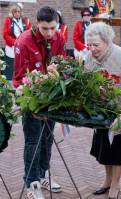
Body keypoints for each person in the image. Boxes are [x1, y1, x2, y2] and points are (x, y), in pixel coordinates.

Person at [12, 6, 66, 199]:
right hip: (30, 96)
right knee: (33, 141)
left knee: (47, 138)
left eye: (53, 28)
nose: (50, 33)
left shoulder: (59, 37)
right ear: (37, 24)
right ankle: (31, 183)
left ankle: (44, 174)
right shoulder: (24, 41)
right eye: (45, 29)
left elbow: (62, 65)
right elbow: (20, 78)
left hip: (51, 96)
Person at [84, 22, 121, 199]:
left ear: (106, 41)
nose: (92, 49)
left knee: (118, 153)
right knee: (105, 150)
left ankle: (115, 185)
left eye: (96, 45)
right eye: (90, 45)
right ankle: (107, 181)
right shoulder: (88, 57)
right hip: (101, 114)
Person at [2, 3, 31, 80]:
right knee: (10, 65)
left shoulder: (26, 21)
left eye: (18, 11)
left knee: (22, 64)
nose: (17, 13)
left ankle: (21, 81)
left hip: (22, 47)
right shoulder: (8, 20)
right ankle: (9, 81)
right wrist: (15, 42)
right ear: (12, 12)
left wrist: (23, 43)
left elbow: (29, 34)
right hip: (11, 46)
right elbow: (5, 34)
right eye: (15, 12)